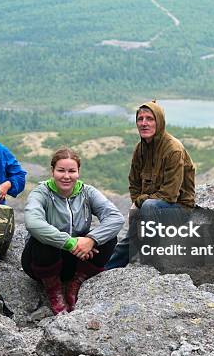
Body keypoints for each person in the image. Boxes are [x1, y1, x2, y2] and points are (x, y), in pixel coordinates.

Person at [22, 148, 125, 315]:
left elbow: (116, 217)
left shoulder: (87, 192)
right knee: (41, 238)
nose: (66, 176)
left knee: (108, 238)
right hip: (41, 263)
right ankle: (53, 289)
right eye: (61, 170)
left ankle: (76, 282)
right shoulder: (42, 192)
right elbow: (33, 223)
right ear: (52, 171)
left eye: (72, 171)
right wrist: (70, 243)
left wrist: (91, 239)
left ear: (78, 172)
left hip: (76, 259)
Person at [105, 100, 195, 269]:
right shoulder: (140, 148)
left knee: (147, 208)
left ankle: (152, 261)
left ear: (159, 122)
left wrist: (140, 203)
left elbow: (169, 195)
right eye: (140, 119)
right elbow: (134, 183)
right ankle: (106, 269)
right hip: (151, 209)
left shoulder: (173, 149)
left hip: (179, 209)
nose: (144, 123)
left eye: (149, 119)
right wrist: (137, 202)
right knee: (132, 234)